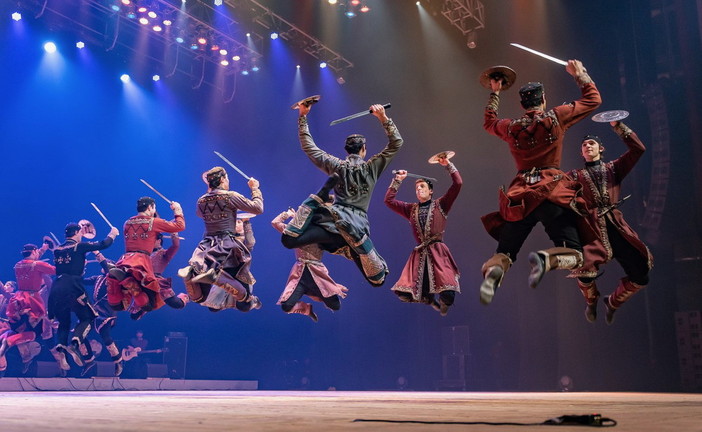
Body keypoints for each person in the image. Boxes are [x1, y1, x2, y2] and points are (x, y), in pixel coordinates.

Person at [479, 60, 601, 304]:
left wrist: (495, 92)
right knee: (574, 253)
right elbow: (593, 100)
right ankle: (548, 259)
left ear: (522, 104)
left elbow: (489, 123)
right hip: (551, 192)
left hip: (519, 198)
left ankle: (496, 270)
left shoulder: (512, 127)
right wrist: (580, 74)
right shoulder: (555, 118)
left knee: (505, 252)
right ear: (543, 99)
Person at [281, 102, 403, 287]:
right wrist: (383, 118)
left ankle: (317, 200)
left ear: (346, 151)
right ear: (363, 149)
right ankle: (362, 243)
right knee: (377, 280)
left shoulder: (337, 166)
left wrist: (303, 116)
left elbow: (309, 147)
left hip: (332, 221)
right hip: (357, 225)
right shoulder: (371, 168)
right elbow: (397, 143)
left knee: (289, 240)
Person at [568, 121, 653, 324]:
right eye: (584, 145)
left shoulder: (613, 169)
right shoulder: (574, 176)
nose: (587, 146)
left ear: (600, 148)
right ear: (581, 152)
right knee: (584, 272)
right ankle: (591, 301)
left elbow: (638, 149)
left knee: (641, 274)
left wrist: (618, 126)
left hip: (616, 227)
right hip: (592, 229)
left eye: (591, 143)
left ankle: (612, 302)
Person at [384, 155, 462, 315]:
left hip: (438, 252)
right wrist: (398, 180)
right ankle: (429, 300)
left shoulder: (441, 204)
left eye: (422, 187)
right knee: (404, 294)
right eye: (417, 188)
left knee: (448, 293)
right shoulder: (411, 209)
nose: (419, 189)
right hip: (420, 254)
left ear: (431, 191)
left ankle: (443, 303)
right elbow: (389, 201)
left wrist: (448, 164)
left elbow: (458, 184)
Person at [178, 167, 263, 312]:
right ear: (223, 179)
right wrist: (255, 189)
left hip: (207, 246)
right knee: (244, 294)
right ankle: (216, 277)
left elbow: (200, 214)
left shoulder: (201, 200)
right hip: (227, 246)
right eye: (227, 178)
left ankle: (189, 277)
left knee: (201, 298)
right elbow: (258, 208)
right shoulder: (230, 196)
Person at [48, 222, 119, 375]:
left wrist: (80, 263)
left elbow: (69, 265)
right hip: (73, 288)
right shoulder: (78, 247)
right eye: (80, 233)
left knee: (64, 322)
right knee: (87, 317)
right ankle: (75, 343)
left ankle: (61, 347)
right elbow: (103, 244)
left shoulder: (57, 250)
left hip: (57, 288)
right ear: (76, 232)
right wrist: (112, 233)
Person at [272, 198, 349, 322]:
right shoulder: (296, 231)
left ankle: (327, 287)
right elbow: (275, 222)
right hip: (300, 274)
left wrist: (332, 285)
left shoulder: (324, 232)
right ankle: (306, 309)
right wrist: (288, 214)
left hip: (317, 274)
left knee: (335, 306)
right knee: (286, 306)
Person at [107, 197, 185, 313]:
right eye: (154, 208)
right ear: (150, 207)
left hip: (125, 261)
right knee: (149, 305)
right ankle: (131, 284)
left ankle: (127, 281)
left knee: (117, 306)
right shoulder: (152, 222)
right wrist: (177, 210)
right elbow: (180, 226)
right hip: (141, 263)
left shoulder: (127, 223)